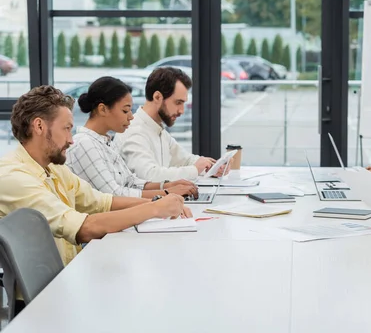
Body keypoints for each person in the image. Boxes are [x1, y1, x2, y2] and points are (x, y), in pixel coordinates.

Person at [0, 86, 192, 267]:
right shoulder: (13, 177)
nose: (70, 139)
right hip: (46, 294)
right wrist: (155, 209)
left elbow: (102, 202)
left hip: (69, 274)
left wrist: (160, 202)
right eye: (66, 129)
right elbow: (84, 228)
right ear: (39, 126)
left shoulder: (54, 169)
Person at [66, 77, 200, 199]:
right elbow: (114, 195)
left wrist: (167, 185)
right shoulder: (84, 143)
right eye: (125, 111)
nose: (131, 116)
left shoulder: (105, 141)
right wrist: (167, 193)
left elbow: (131, 182)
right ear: (103, 109)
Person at [114, 67, 220, 182]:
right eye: (178, 102)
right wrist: (195, 170)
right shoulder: (134, 131)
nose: (181, 111)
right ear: (157, 97)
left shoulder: (158, 129)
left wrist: (211, 166)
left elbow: (185, 160)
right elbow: (149, 176)